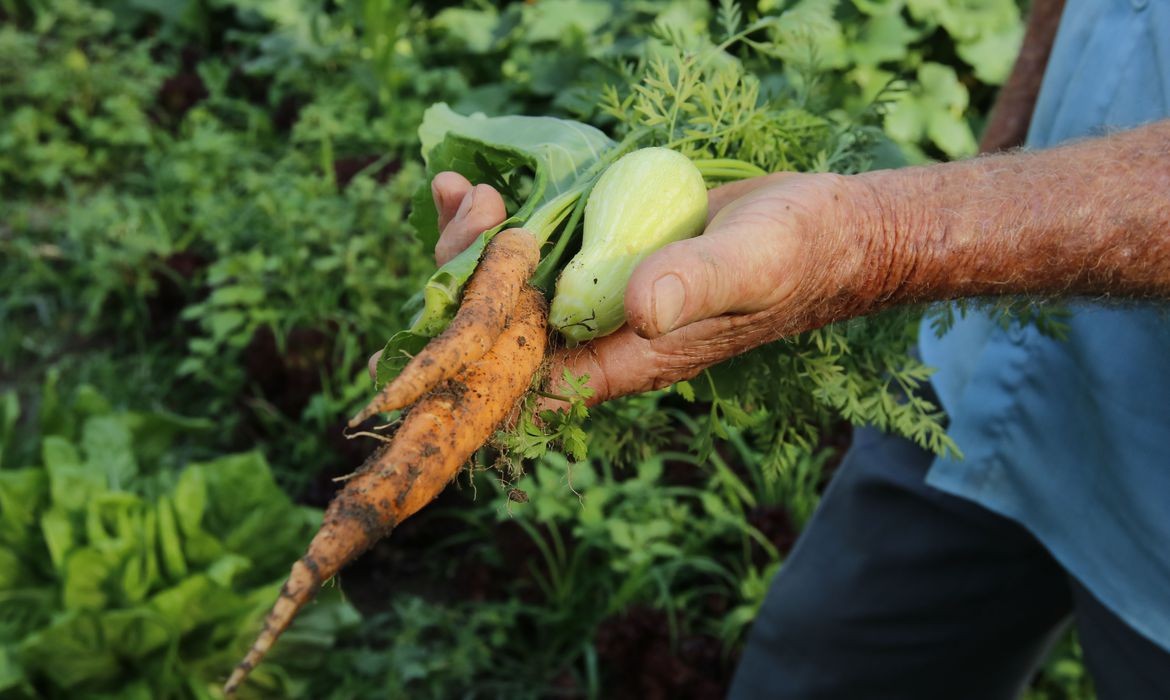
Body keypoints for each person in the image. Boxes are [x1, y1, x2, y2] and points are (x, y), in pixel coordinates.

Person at [378, 0, 1170, 696]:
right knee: (822, 660)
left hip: (1154, 512)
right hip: (968, 386)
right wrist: (993, 170)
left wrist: (891, 238)